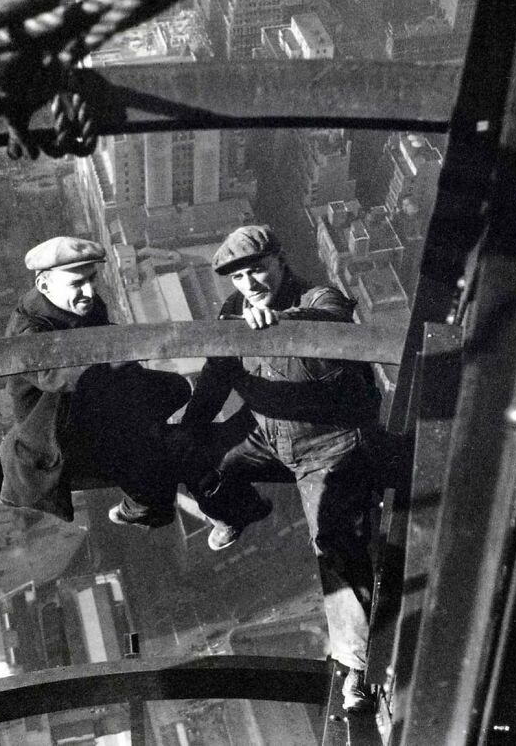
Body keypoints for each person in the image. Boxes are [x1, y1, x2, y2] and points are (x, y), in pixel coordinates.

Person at [177, 224, 382, 713]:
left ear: (281, 262)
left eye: (258, 270)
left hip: (328, 441)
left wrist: (282, 320)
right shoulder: (233, 313)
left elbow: (329, 319)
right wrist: (189, 431)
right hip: (263, 431)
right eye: (239, 276)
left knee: (333, 544)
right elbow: (216, 377)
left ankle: (356, 667)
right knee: (190, 458)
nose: (250, 284)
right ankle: (238, 509)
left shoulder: (318, 297)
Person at [0, 235, 268, 535]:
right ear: (45, 286)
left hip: (95, 398)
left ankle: (167, 498)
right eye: (77, 283)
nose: (89, 291)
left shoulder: (78, 303)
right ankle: (152, 505)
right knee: (164, 445)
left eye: (92, 279)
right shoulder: (29, 333)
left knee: (176, 389)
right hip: (60, 429)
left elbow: (105, 340)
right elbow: (64, 377)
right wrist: (129, 354)